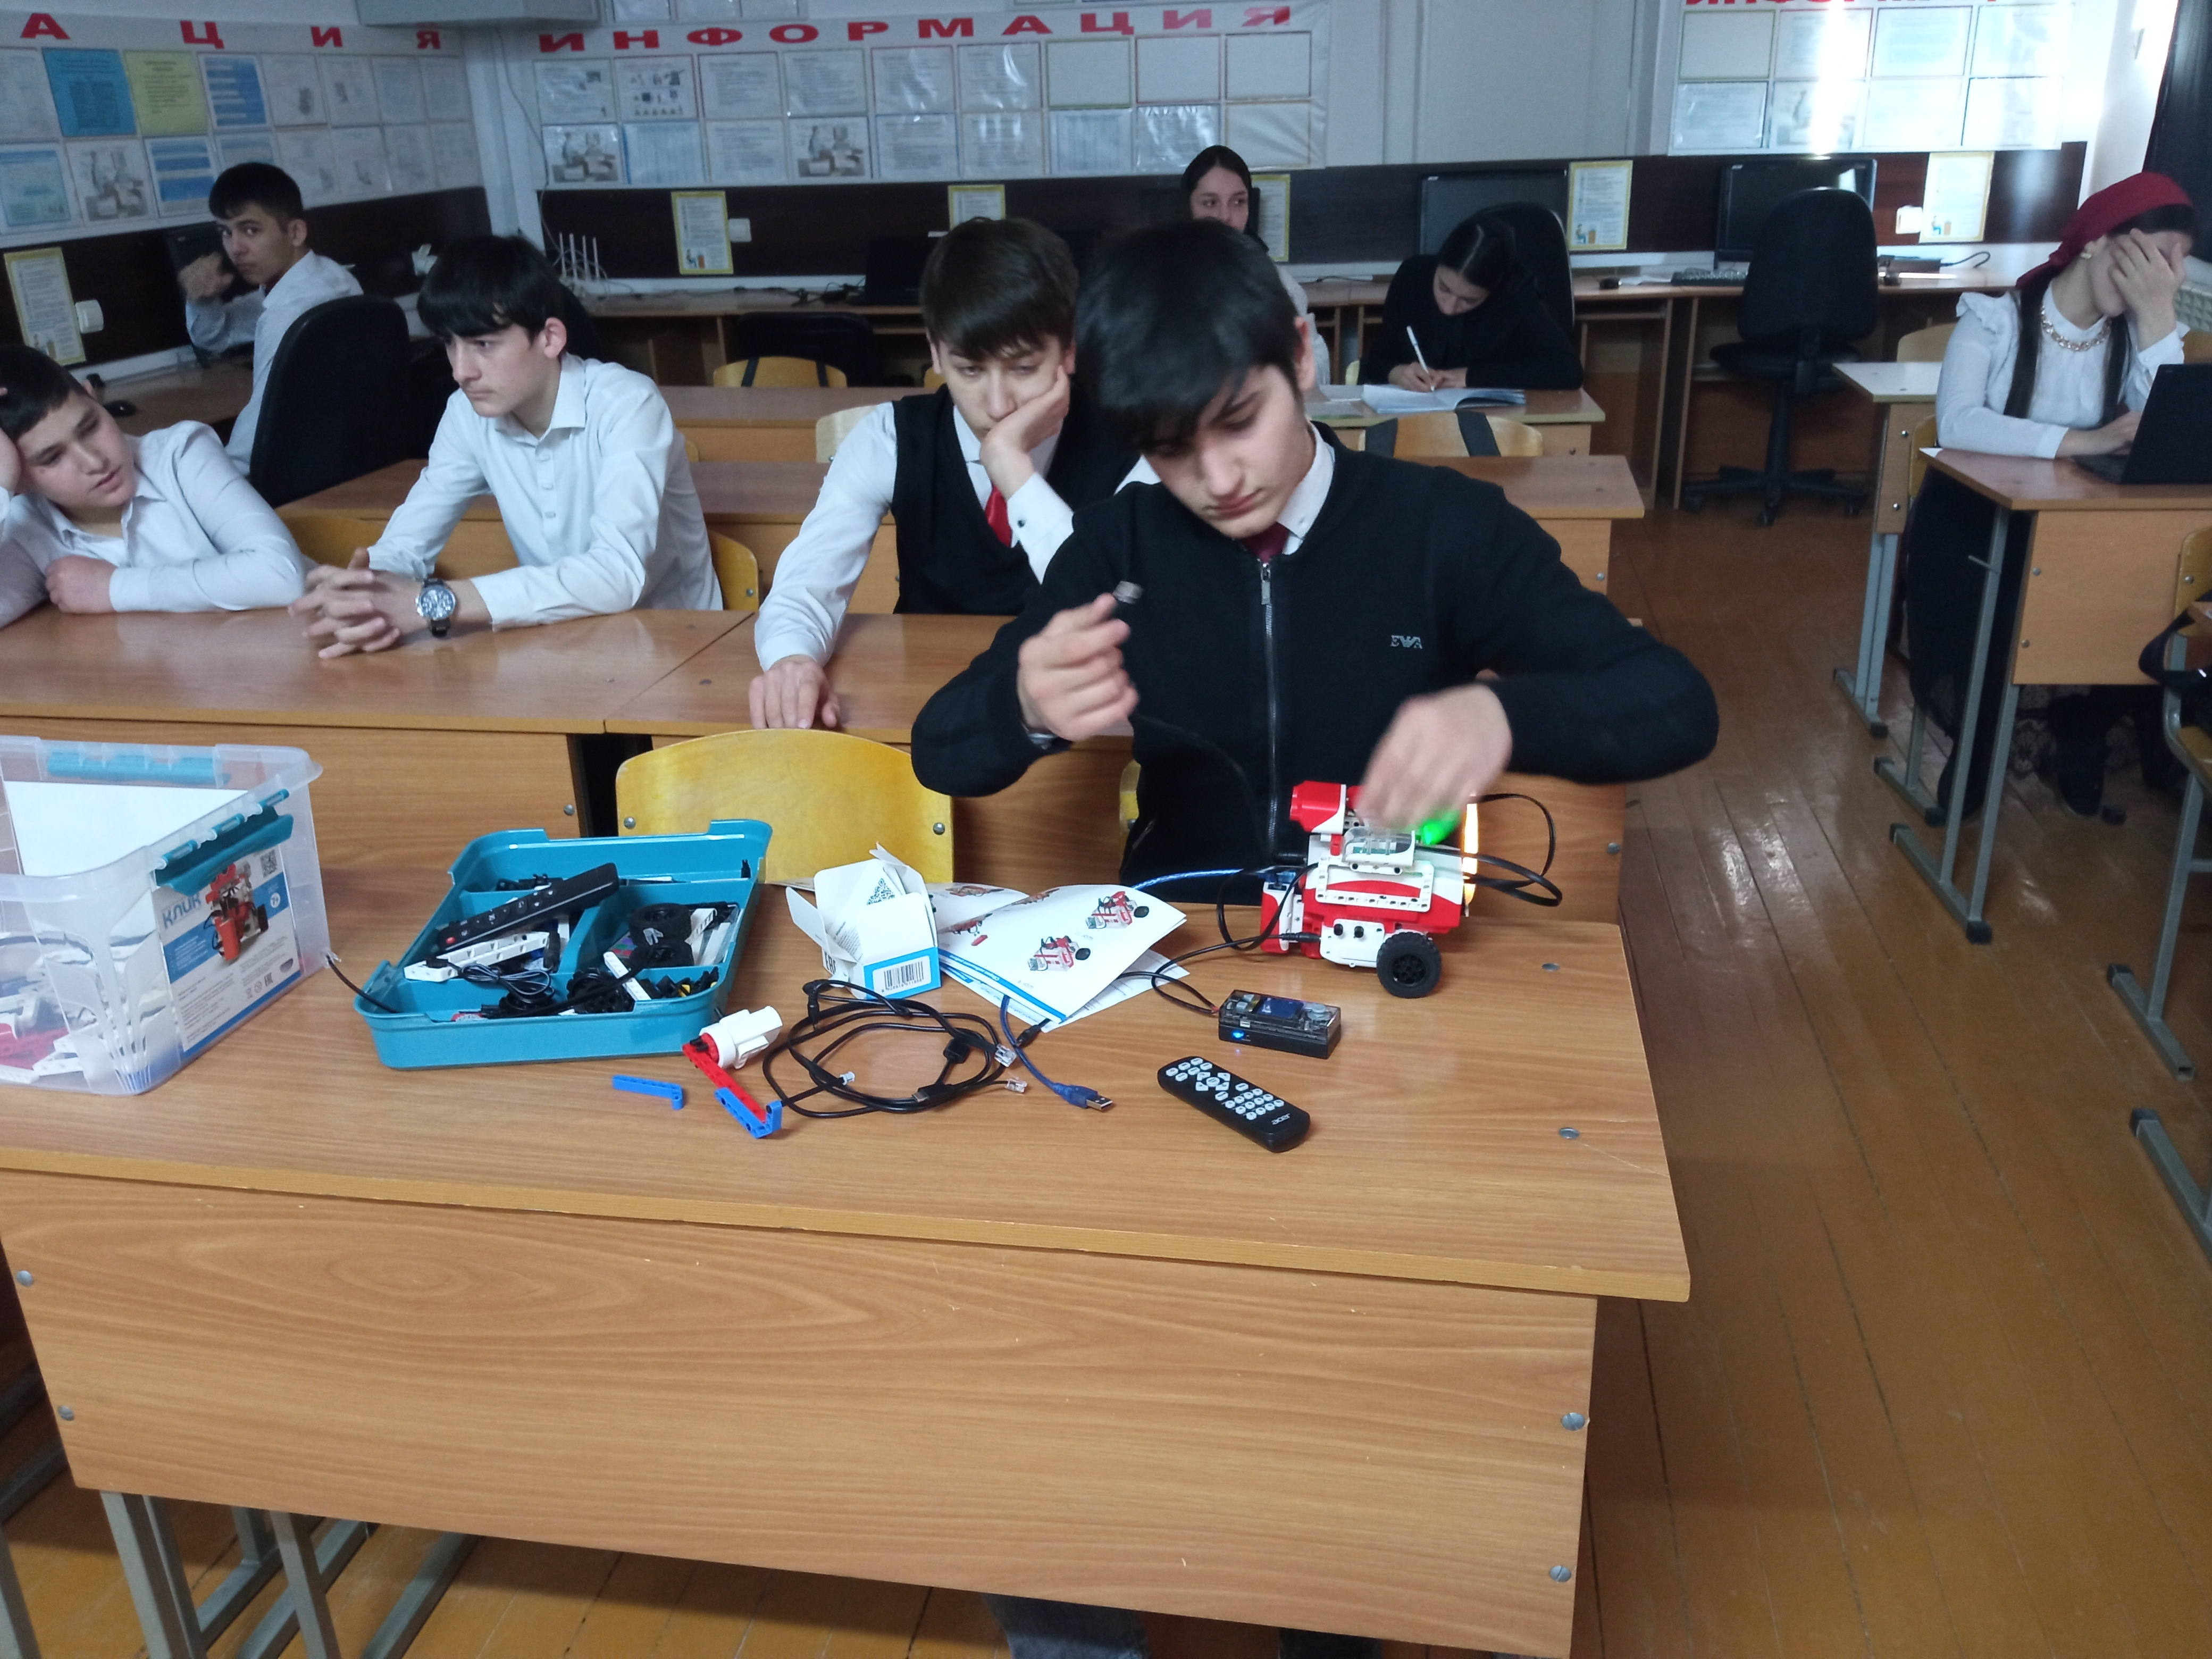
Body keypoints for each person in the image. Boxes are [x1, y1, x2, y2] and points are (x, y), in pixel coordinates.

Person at [913, 216, 1714, 911]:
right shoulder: (1118, 546)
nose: (1218, 481)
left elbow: (1675, 703)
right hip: (1184, 930)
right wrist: (1023, 707)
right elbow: (939, 747)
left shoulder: (1442, 527)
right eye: (1170, 448)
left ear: (1300, 357)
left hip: (1386, 927)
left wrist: (1503, 717)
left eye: (1239, 420)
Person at [750, 218, 1140, 729]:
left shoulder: (1129, 443)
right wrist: (792, 658)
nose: (998, 405)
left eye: (1023, 368)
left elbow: (1121, 616)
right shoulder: (890, 438)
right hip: (930, 710)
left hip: (1084, 719)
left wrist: (1012, 469)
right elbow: (807, 583)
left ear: (1069, 350)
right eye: (970, 370)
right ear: (935, 351)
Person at [1907, 171, 2196, 820]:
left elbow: (2167, 433)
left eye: (2177, 266)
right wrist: (2082, 441)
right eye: (2157, 258)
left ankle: (2085, 727)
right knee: (2006, 607)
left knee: (2147, 597)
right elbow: (1957, 423)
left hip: (2076, 532)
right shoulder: (1994, 320)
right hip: (1974, 528)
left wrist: (2157, 318)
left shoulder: (2134, 338)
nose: (2168, 278)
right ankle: (1979, 742)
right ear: (2096, 241)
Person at [289, 235, 718, 656]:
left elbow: (617, 575)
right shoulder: (465, 413)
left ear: (550, 338)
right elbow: (407, 544)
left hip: (680, 644)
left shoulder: (628, 403)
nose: (461, 371)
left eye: (483, 345)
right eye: (449, 344)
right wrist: (364, 594)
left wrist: (435, 603)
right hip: (563, 641)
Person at [0, 345, 307, 630]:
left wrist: (114, 588)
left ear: (94, 398)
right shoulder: (25, 526)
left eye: (91, 426)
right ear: (20, 480)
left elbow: (281, 574)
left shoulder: (181, 455)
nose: (94, 461)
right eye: (53, 458)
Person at [178, 163, 362, 468]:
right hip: (341, 459)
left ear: (295, 232)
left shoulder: (290, 314)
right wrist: (203, 298)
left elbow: (253, 446)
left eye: (251, 230)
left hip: (295, 472)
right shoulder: (328, 276)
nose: (235, 248)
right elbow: (215, 335)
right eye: (226, 232)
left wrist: (212, 481)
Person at [1359, 213, 1582, 392]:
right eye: (1444, 288)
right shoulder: (1414, 276)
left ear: (1492, 291)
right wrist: (1398, 374)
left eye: (1469, 300)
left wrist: (1471, 376)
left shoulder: (1515, 298)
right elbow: (1377, 360)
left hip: (1496, 421)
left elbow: (1567, 370)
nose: (1449, 308)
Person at [1184, 144, 1311, 323]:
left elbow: (1309, 340)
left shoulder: (1278, 283)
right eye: (1210, 203)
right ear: (1188, 208)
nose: (1225, 216)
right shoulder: (1161, 284)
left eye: (1238, 202)